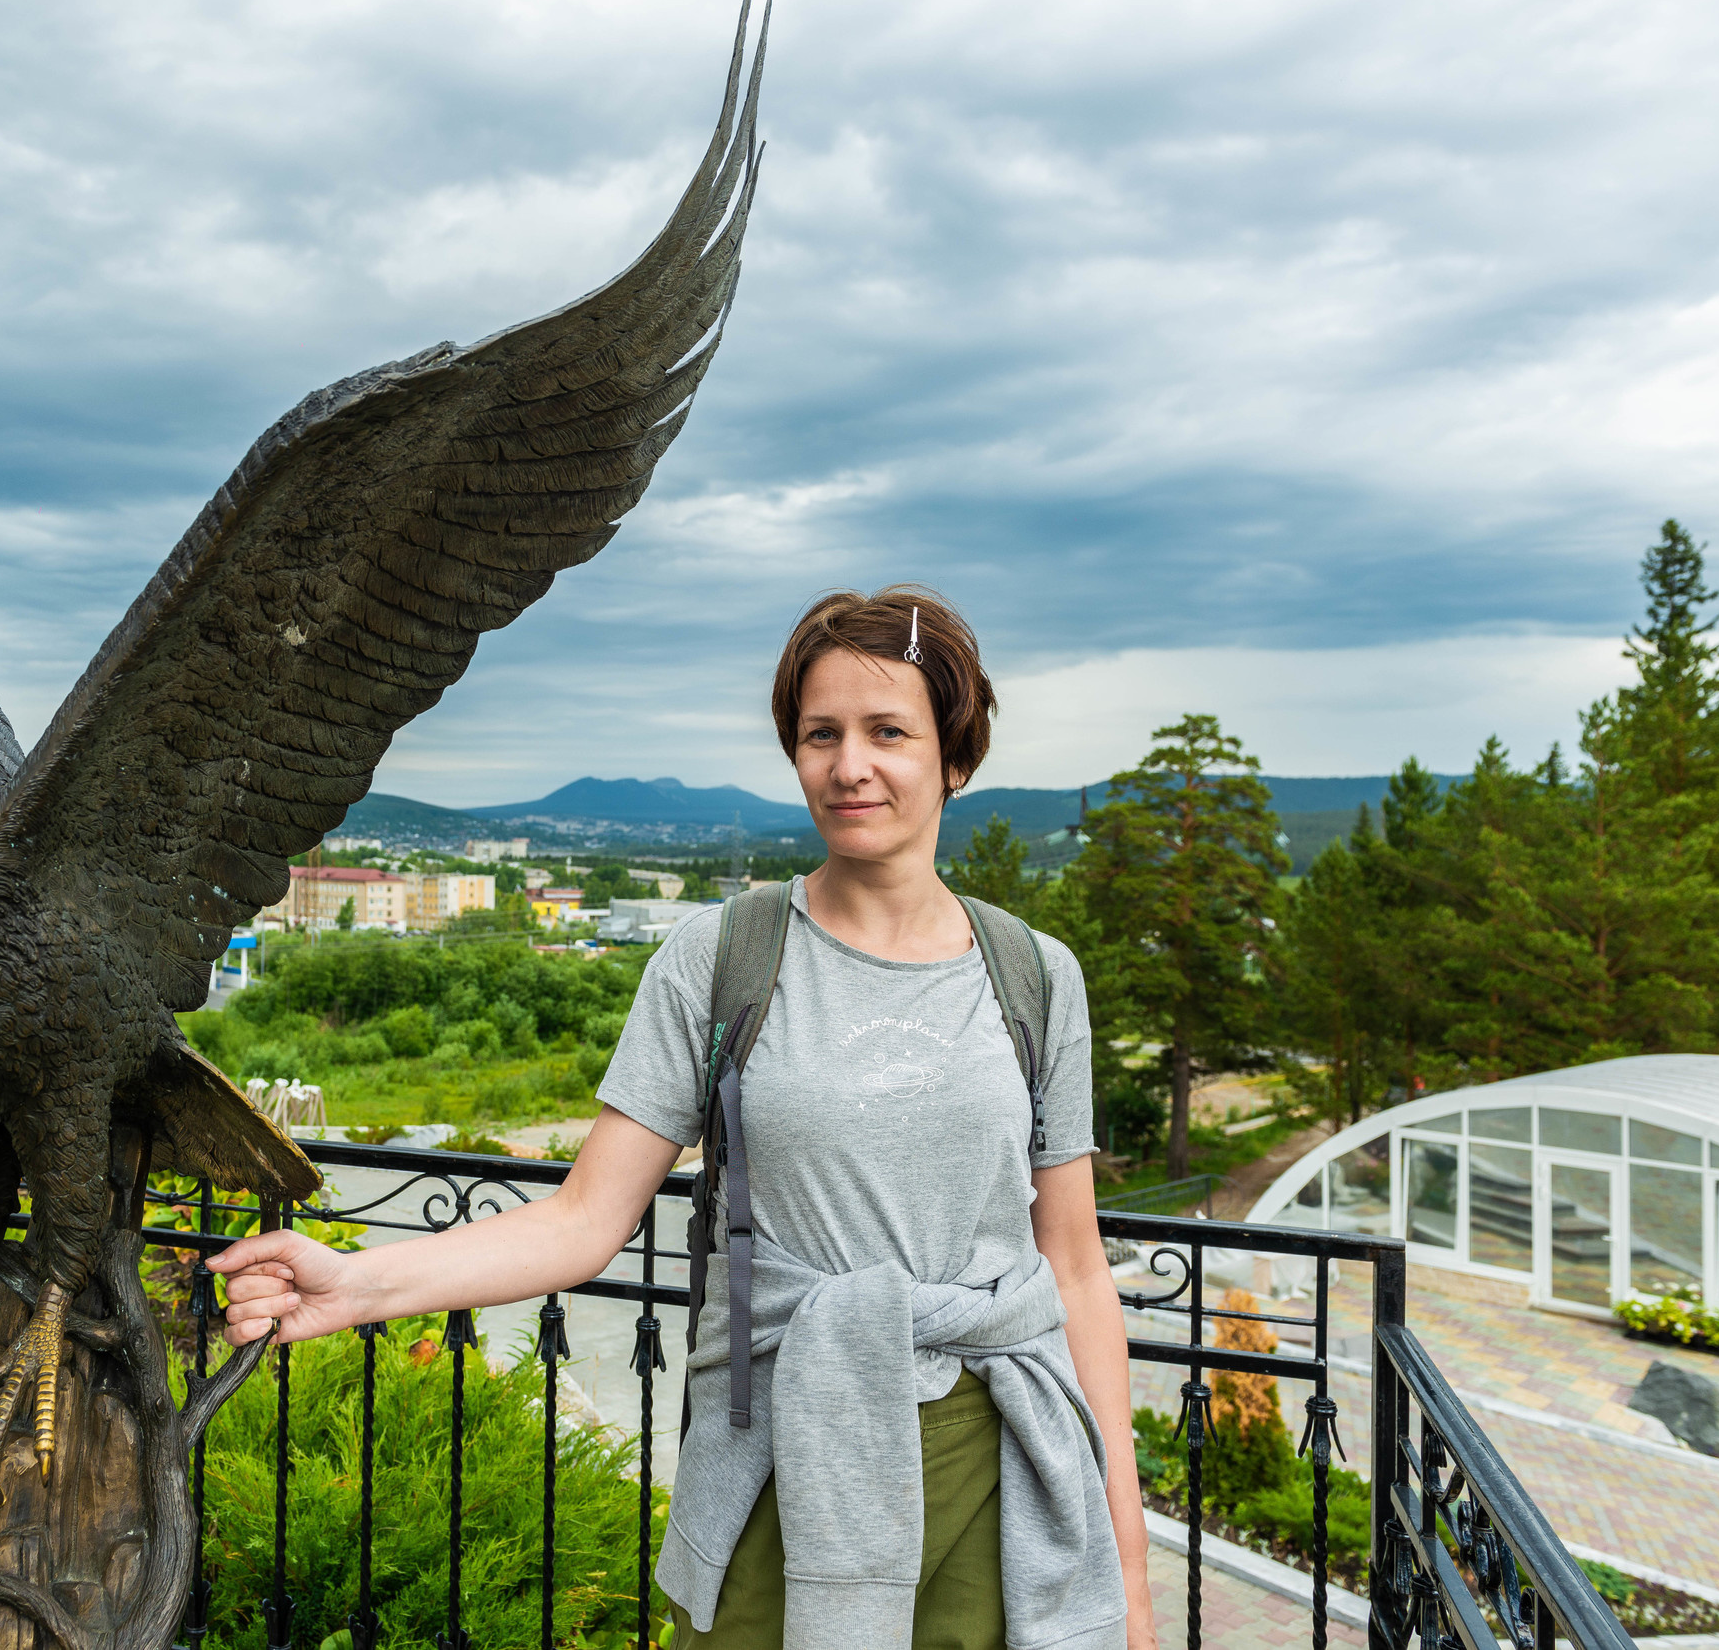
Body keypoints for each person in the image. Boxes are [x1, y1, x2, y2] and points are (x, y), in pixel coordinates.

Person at [209, 586, 1155, 1650]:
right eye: (820, 733)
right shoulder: (721, 960)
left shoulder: (1032, 975)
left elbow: (1072, 1266)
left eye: (889, 730)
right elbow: (581, 1218)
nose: (850, 765)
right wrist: (360, 1281)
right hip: (776, 1459)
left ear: (957, 754)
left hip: (996, 1465)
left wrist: (1126, 1559)